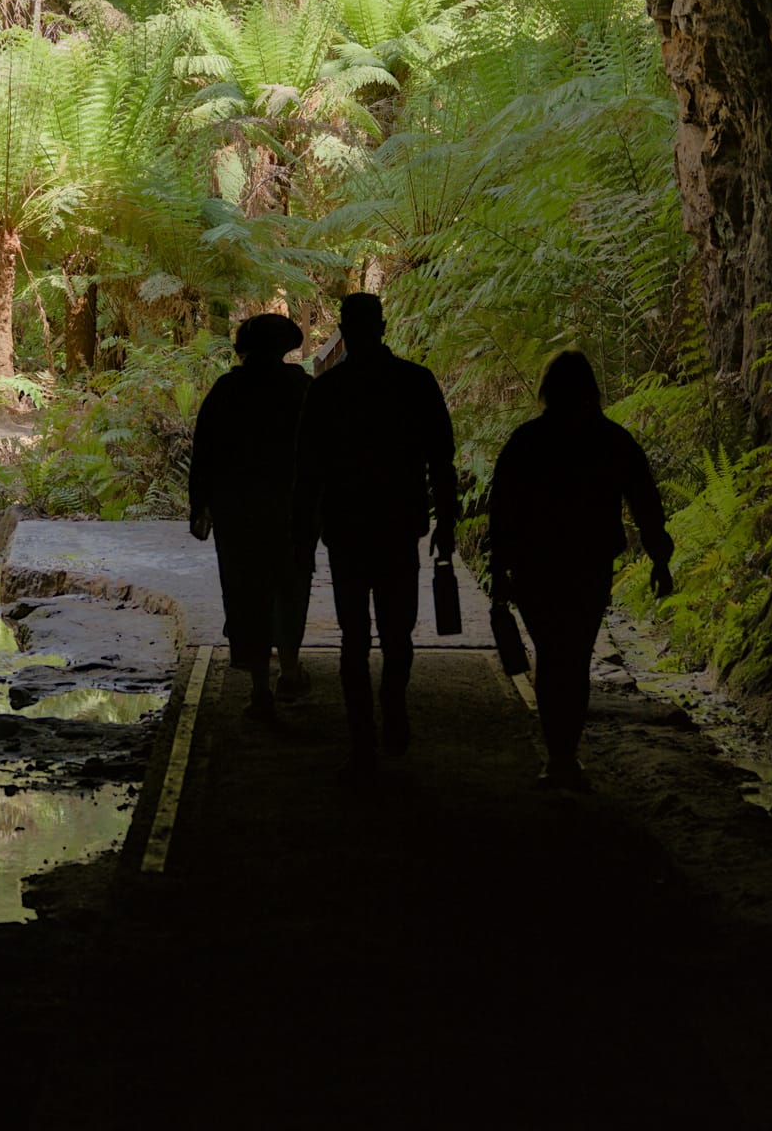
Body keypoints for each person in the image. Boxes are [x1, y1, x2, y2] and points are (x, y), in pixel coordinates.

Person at [488, 350, 674, 788]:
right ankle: (564, 755)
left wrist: (498, 571)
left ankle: (559, 755)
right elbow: (646, 503)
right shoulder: (612, 440)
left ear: (547, 391)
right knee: (573, 656)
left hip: (535, 568)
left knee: (553, 656)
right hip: (588, 567)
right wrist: (659, 558)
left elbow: (502, 511)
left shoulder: (526, 441)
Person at [292, 291, 457, 777]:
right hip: (398, 527)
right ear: (383, 327)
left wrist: (302, 533)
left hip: (346, 530)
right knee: (397, 632)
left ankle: (362, 736)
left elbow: (309, 471)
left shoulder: (326, 391)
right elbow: (441, 462)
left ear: (345, 330)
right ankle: (393, 706)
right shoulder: (415, 383)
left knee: (354, 638)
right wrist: (445, 522)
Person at [188, 312, 313, 720]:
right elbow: (321, 452)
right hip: (291, 508)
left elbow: (204, 450)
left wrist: (199, 504)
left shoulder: (228, 389)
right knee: (291, 587)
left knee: (247, 593)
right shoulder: (300, 387)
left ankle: (261, 686)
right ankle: (290, 671)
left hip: (238, 510)